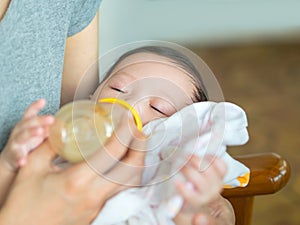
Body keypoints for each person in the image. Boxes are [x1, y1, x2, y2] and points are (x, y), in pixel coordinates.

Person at [0, 0, 235, 223]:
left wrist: (190, 203)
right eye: (117, 88)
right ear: (90, 99)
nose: (129, 103)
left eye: (158, 108)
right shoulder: (58, 147)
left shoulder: (165, 174)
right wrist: (11, 162)